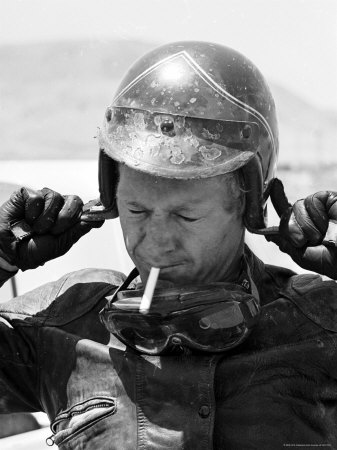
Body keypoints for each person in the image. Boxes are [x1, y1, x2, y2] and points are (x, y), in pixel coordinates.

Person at [0, 41, 337, 449]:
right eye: (137, 211)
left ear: (251, 206)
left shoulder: (321, 325)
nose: (155, 242)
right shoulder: (62, 324)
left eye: (186, 216)